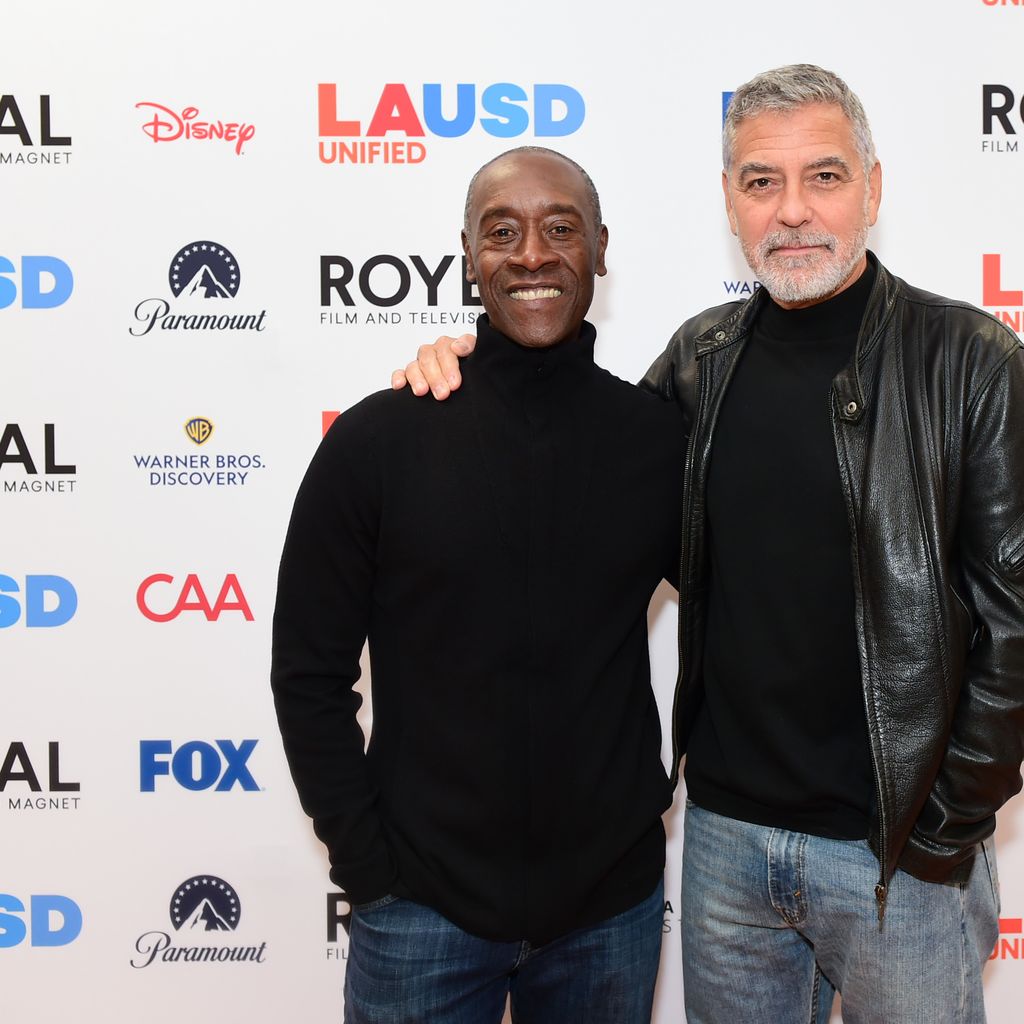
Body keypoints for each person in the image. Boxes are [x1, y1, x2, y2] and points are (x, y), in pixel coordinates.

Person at [393, 65, 1024, 1023]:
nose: (794, 212)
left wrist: (942, 832)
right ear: (730, 199)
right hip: (726, 848)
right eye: (761, 182)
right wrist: (471, 362)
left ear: (874, 188)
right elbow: (568, 455)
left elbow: (1016, 629)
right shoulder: (701, 361)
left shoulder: (971, 360)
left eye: (825, 175)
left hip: (897, 856)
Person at [271, 146, 687, 1024]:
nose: (532, 254)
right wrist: (370, 870)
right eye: (502, 232)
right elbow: (308, 674)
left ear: (601, 249)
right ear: (467, 256)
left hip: (610, 917)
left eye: (560, 228)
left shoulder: (655, 442)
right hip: (419, 912)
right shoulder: (378, 440)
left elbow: (751, 624)